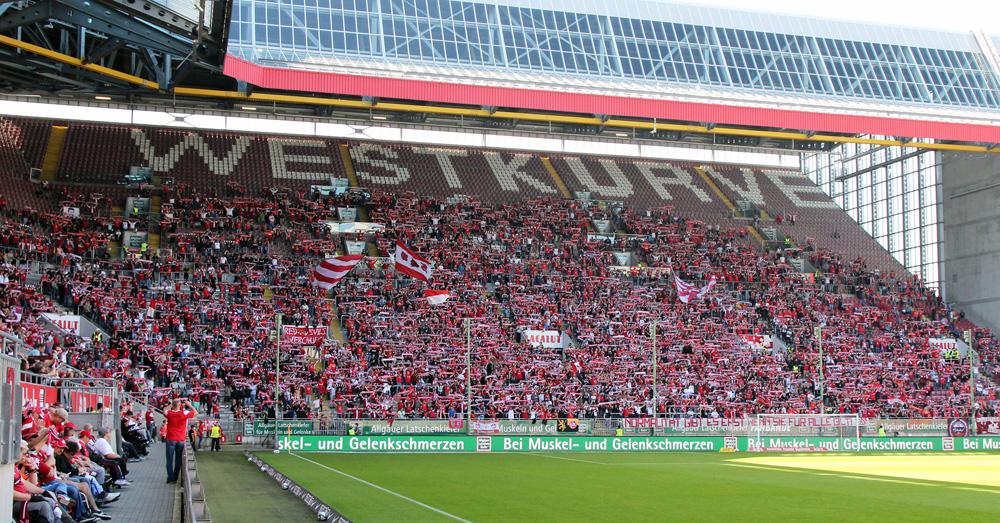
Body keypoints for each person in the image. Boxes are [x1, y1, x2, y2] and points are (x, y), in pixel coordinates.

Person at [163, 399, 198, 484]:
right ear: (180, 405)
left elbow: (164, 411)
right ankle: (175, 477)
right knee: (178, 459)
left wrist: (171, 405)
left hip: (170, 438)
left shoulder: (169, 413)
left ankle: (170, 478)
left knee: (169, 459)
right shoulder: (184, 413)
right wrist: (189, 405)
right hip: (180, 439)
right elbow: (195, 412)